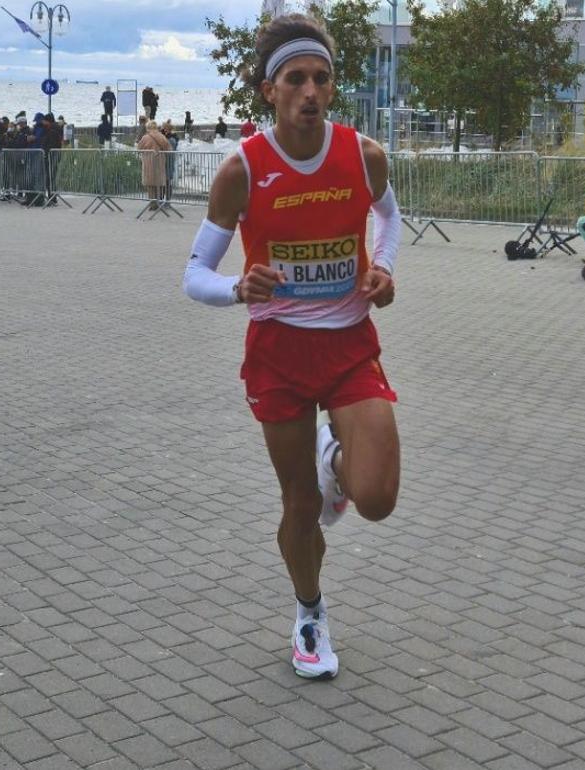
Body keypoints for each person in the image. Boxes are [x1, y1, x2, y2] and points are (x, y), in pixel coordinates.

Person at [182, 13, 401, 681]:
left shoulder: (363, 155)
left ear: (333, 88)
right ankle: (309, 614)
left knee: (378, 498)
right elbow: (193, 276)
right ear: (268, 90)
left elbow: (390, 218)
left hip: (349, 345)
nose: (310, 90)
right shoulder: (240, 171)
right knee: (300, 505)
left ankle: (337, 457)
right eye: (295, 79)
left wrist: (384, 271)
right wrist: (237, 290)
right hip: (278, 352)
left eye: (322, 78)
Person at [136, 119, 171, 207]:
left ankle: (153, 203)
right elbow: (168, 148)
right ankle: (158, 201)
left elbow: (139, 148)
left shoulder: (146, 137)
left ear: (148, 128)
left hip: (148, 162)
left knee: (150, 184)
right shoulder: (162, 136)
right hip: (160, 162)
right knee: (158, 183)